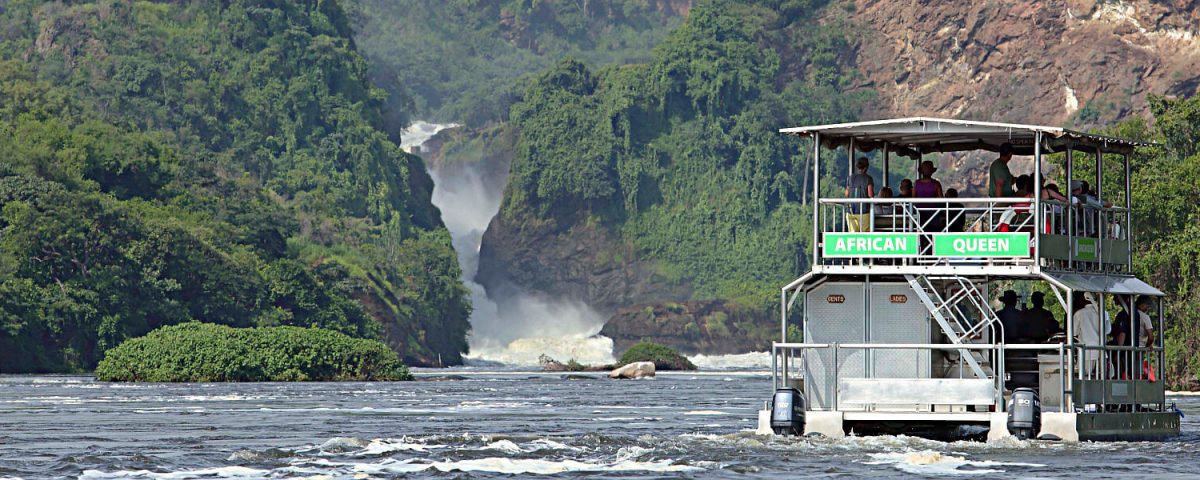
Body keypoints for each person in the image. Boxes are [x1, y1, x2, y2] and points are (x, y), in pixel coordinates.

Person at [1072, 292, 1110, 378]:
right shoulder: (1104, 313)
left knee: (1085, 377)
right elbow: (1108, 330)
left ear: (1083, 299)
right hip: (1102, 350)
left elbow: (1074, 332)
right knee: (1102, 378)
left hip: (1086, 352)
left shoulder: (1080, 313)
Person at [844, 157, 875, 232]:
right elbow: (870, 194)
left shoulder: (850, 178)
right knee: (865, 235)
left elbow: (846, 193)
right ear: (866, 167)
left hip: (851, 211)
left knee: (853, 235)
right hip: (864, 211)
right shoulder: (868, 178)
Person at [914, 160, 944, 232]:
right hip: (933, 212)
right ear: (931, 172)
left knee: (920, 232)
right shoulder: (936, 184)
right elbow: (941, 200)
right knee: (933, 232)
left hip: (919, 212)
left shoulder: (916, 183)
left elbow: (913, 199)